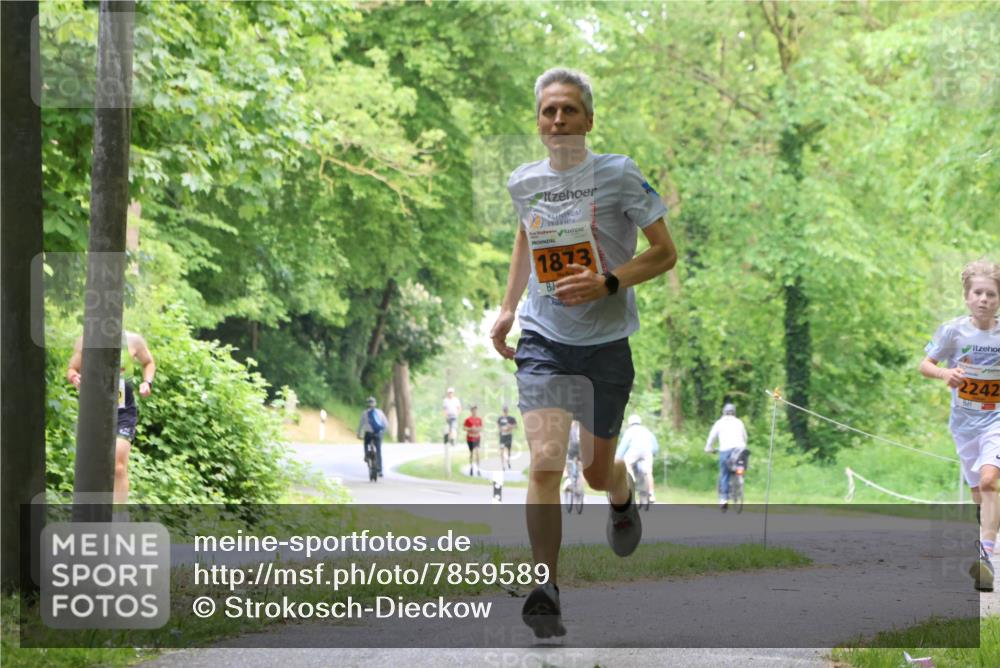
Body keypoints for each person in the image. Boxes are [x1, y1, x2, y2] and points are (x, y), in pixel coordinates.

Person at [489, 67, 677, 638]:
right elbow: (525, 236)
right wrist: (508, 307)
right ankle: (545, 586)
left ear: (588, 120)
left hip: (606, 344)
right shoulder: (524, 181)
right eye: (549, 110)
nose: (558, 119)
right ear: (539, 122)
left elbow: (665, 252)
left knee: (595, 473)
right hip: (544, 338)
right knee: (545, 461)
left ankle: (621, 497)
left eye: (569, 109)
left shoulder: (620, 174)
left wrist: (609, 282)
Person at [919, 259, 1000, 592]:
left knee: (989, 480)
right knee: (978, 494)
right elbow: (925, 364)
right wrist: (945, 373)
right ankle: (987, 540)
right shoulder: (953, 331)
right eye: (978, 293)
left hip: (996, 418)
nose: (984, 299)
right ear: (967, 297)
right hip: (964, 424)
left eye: (991, 294)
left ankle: (985, 559)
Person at [66, 330, 155, 505]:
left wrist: (147, 382)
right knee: (92, 466)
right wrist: (75, 378)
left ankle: (118, 514)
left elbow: (149, 362)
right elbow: (71, 369)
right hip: (94, 411)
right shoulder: (86, 340)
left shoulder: (133, 340)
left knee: (118, 467)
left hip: (123, 412)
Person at [704, 403, 748, 511]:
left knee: (724, 474)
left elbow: (712, 438)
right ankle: (739, 484)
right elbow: (745, 437)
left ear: (723, 412)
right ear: (734, 413)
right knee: (740, 467)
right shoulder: (739, 422)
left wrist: (708, 448)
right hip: (740, 451)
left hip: (726, 451)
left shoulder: (719, 423)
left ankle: (723, 499)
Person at [616, 414, 659, 503]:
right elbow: (655, 447)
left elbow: (622, 448)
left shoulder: (629, 431)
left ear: (630, 423)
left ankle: (633, 480)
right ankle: (651, 494)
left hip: (635, 450)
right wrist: (653, 454)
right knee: (648, 472)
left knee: (626, 463)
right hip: (647, 451)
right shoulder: (646, 431)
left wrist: (617, 459)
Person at [356, 396, 388, 478]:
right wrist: (382, 432)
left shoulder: (365, 413)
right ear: (375, 404)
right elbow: (385, 424)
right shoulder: (380, 412)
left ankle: (367, 455)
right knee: (379, 451)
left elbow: (361, 425)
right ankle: (380, 470)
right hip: (378, 434)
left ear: (368, 404)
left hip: (369, 434)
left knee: (366, 443)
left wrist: (358, 434)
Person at [463, 404, 484, 476]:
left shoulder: (479, 419)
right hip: (470, 438)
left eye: (475, 409)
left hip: (477, 438)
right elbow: (464, 428)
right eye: (473, 410)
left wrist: (476, 429)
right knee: (472, 454)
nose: (474, 411)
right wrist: (471, 428)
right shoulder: (468, 419)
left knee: (477, 453)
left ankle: (478, 469)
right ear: (471, 411)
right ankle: (471, 468)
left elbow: (481, 428)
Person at [498, 404, 518, 470]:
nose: (505, 411)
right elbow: (498, 426)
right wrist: (502, 429)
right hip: (502, 436)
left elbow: (516, 426)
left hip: (509, 436)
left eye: (506, 410)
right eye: (504, 410)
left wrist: (510, 426)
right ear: (503, 411)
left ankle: (508, 461)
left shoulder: (511, 418)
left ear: (508, 411)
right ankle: (502, 465)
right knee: (502, 450)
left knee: (508, 451)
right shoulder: (500, 418)